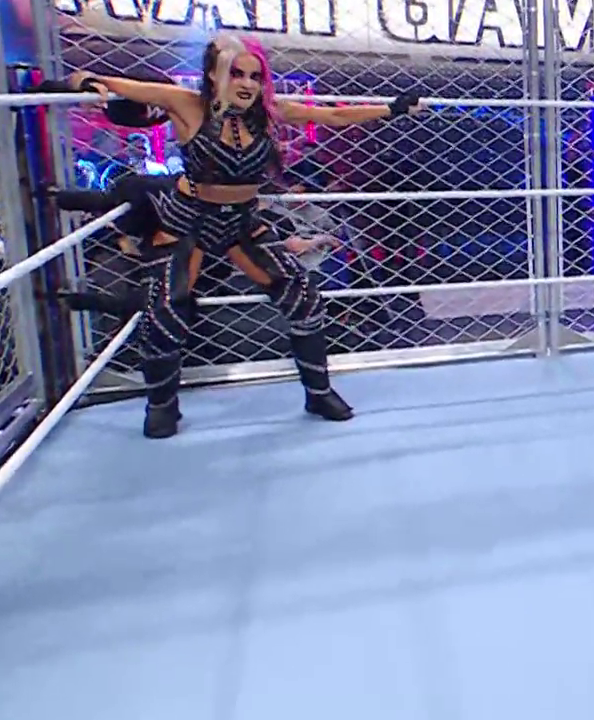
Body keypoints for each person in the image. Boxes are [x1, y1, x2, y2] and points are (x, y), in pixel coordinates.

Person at [71, 35, 422, 438]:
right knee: (166, 311)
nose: (248, 84)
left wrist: (391, 108)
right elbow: (98, 80)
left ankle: (319, 393)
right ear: (213, 74)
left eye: (255, 76)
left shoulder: (269, 113)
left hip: (241, 221)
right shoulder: (186, 103)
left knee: (303, 299)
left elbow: (332, 115)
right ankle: (162, 406)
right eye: (237, 73)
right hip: (189, 218)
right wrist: (86, 84)